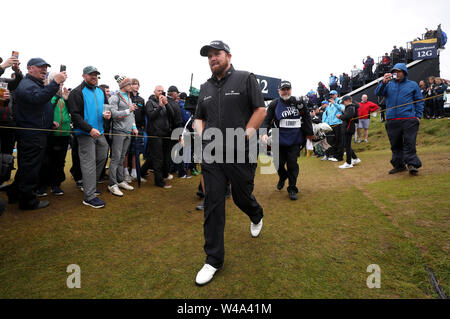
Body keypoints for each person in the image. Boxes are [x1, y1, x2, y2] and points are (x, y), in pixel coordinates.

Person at [193, 40, 266, 286]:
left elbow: (260, 110)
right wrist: (202, 136)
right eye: (209, 56)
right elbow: (198, 118)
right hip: (213, 154)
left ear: (228, 56)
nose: (213, 58)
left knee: (241, 197)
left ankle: (256, 214)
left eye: (217, 54)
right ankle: (213, 260)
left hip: (241, 152)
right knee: (213, 203)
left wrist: (245, 134)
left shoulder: (246, 78)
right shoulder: (204, 88)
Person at [6, 58, 67, 210]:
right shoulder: (27, 85)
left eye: (46, 67)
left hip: (36, 131)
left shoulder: (34, 84)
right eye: (40, 67)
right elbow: (37, 98)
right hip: (31, 135)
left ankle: (15, 193)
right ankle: (28, 201)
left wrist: (48, 123)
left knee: (27, 167)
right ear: (30, 68)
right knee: (30, 168)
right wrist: (55, 83)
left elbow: (37, 107)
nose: (44, 70)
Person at [260, 80, 313, 200]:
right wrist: (263, 133)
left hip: (295, 140)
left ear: (291, 89)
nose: (286, 92)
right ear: (279, 91)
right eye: (283, 89)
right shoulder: (274, 104)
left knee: (292, 164)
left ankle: (292, 188)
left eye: (288, 89)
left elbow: (306, 117)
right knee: (277, 163)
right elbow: (267, 120)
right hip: (278, 139)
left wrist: (310, 134)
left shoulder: (298, 102)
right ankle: (283, 176)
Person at [68, 66, 110, 208]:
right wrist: (89, 129)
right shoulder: (76, 92)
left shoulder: (100, 91)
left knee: (103, 156)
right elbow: (75, 116)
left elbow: (106, 108)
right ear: (84, 76)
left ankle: (89, 185)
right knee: (89, 163)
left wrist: (107, 115)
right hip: (85, 133)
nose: (94, 77)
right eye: (91, 74)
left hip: (100, 132)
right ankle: (89, 197)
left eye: (96, 75)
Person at [375, 63, 424, 175]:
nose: (397, 73)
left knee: (409, 143)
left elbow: (419, 101)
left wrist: (418, 116)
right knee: (395, 144)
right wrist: (383, 82)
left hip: (409, 119)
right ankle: (399, 165)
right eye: (395, 71)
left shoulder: (412, 84)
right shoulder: (388, 84)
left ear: (404, 72)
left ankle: (412, 164)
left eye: (399, 71)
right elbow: (377, 93)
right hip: (392, 120)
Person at [37, 73, 71, 196]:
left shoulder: (64, 98)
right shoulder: (48, 97)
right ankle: (41, 185)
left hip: (64, 133)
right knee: (46, 161)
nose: (61, 86)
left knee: (60, 161)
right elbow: (45, 111)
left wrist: (67, 101)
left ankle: (56, 184)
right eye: (59, 83)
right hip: (51, 134)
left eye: (62, 84)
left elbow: (70, 113)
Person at [106, 75, 138, 197]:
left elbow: (132, 115)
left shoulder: (129, 97)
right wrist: (128, 110)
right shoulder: (114, 97)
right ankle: (112, 184)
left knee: (121, 157)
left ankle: (120, 181)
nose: (132, 86)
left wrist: (134, 127)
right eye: (130, 84)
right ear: (124, 86)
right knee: (115, 158)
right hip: (118, 131)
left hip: (128, 131)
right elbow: (113, 114)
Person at [144, 85, 175, 188]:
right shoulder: (149, 102)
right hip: (154, 134)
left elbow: (172, 115)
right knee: (158, 159)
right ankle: (159, 182)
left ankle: (142, 172)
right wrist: (160, 106)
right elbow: (151, 116)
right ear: (154, 91)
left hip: (164, 134)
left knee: (157, 157)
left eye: (162, 91)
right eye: (158, 91)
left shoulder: (164, 102)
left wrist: (166, 104)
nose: (161, 93)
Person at [127, 78, 146, 182]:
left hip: (138, 128)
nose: (136, 86)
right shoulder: (127, 97)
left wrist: (142, 125)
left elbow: (143, 113)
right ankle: (125, 173)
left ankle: (134, 172)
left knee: (136, 151)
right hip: (127, 127)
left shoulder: (141, 99)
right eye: (134, 84)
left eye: (138, 84)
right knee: (126, 151)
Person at [337, 96, 361, 169]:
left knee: (347, 146)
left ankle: (348, 163)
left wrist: (340, 116)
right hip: (348, 127)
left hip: (348, 128)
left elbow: (347, 116)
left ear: (347, 100)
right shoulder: (351, 107)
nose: (343, 104)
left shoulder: (350, 107)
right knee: (346, 145)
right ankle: (355, 159)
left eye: (344, 102)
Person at [321, 90, 344, 162]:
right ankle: (335, 155)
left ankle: (339, 157)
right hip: (332, 125)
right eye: (331, 95)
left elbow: (343, 109)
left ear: (337, 95)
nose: (331, 96)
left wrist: (335, 103)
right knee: (333, 141)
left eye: (333, 94)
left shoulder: (339, 101)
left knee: (339, 140)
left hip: (338, 123)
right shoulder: (330, 104)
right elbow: (329, 116)